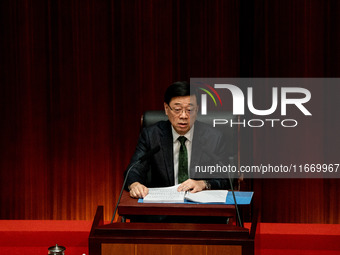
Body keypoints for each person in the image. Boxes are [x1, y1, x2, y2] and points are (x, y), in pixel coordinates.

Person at [125, 81, 229, 199]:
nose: (184, 116)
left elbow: (226, 178)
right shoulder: (151, 135)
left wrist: (203, 184)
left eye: (189, 110)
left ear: (197, 110)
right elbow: (134, 170)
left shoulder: (214, 138)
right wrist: (135, 184)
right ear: (166, 108)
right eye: (177, 109)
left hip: (201, 211)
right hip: (162, 210)